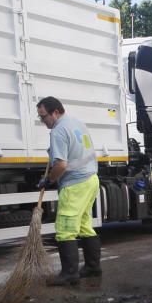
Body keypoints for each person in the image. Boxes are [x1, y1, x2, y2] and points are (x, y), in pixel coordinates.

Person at [36, 97, 100, 285]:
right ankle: (93, 267)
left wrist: (49, 180)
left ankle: (70, 274)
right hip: (91, 179)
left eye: (43, 116)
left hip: (75, 185)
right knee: (84, 225)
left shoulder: (58, 131)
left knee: (64, 229)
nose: (43, 121)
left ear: (55, 112)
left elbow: (61, 165)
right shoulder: (76, 123)